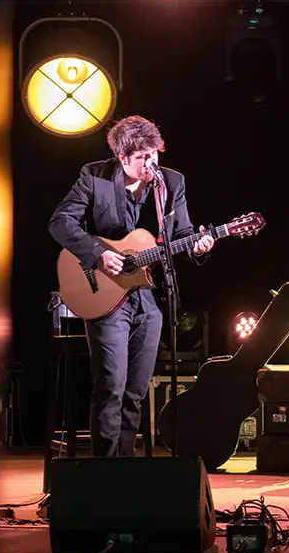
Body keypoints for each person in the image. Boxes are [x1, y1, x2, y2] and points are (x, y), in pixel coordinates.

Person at [48, 115, 214, 458]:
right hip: (106, 296)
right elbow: (61, 222)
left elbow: (181, 234)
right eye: (141, 158)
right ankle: (104, 470)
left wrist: (197, 244)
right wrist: (98, 255)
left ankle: (125, 468)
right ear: (122, 157)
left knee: (136, 391)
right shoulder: (94, 176)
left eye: (154, 155)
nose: (150, 164)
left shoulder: (171, 182)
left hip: (149, 297)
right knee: (110, 386)